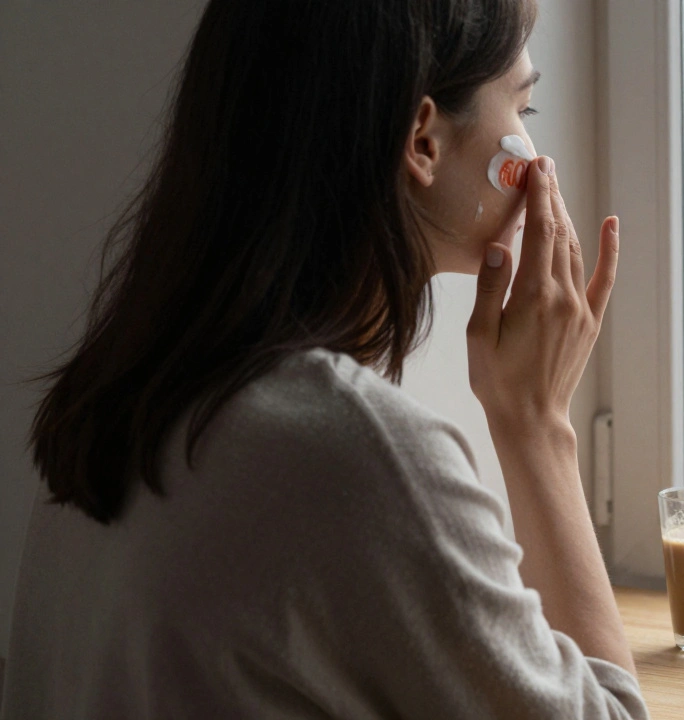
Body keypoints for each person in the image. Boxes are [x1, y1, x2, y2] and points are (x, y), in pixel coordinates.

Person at [0, 0, 646, 718]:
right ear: (423, 141)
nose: (536, 152)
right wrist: (536, 426)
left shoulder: (119, 402)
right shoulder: (352, 453)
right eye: (523, 106)